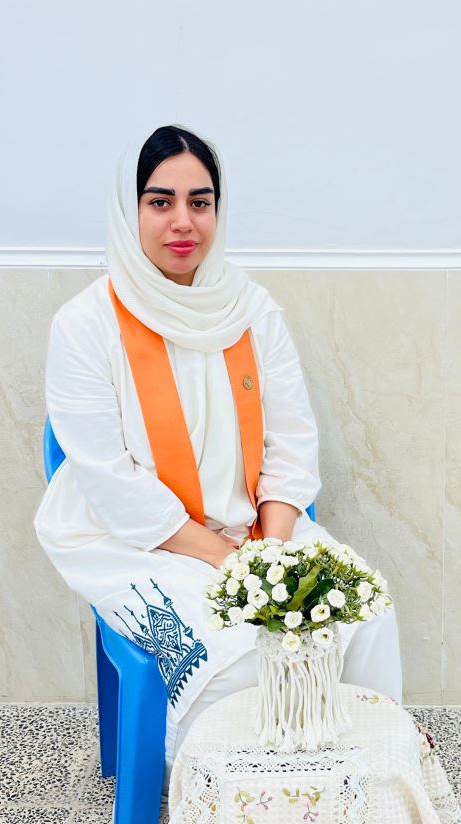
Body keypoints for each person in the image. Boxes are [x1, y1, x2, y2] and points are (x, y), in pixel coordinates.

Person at [34, 124, 404, 767]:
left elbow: (291, 443)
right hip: (135, 542)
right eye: (160, 201)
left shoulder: (251, 310)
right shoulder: (84, 326)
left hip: (256, 531)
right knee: (234, 658)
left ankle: (356, 789)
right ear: (128, 210)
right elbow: (111, 483)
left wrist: (271, 553)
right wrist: (227, 561)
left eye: (199, 202)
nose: (183, 222)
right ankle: (237, 816)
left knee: (366, 616)